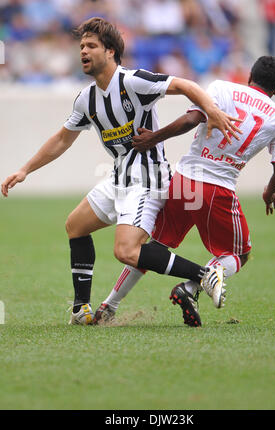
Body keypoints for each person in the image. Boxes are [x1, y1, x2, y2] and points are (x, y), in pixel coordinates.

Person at [1, 17, 241, 326]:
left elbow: (185, 85)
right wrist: (25, 170)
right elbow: (62, 139)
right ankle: (81, 308)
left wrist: (213, 110)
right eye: (81, 46)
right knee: (75, 226)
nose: (83, 52)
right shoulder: (86, 98)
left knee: (126, 251)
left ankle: (204, 275)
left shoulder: (133, 82)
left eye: (91, 46)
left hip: (148, 179)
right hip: (119, 178)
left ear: (111, 51)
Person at [97, 55, 275, 327]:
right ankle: (191, 287)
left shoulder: (221, 88)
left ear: (250, 76)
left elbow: (190, 120)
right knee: (239, 254)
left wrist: (153, 138)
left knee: (152, 248)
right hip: (218, 189)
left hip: (184, 179)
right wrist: (270, 191)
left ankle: (109, 304)